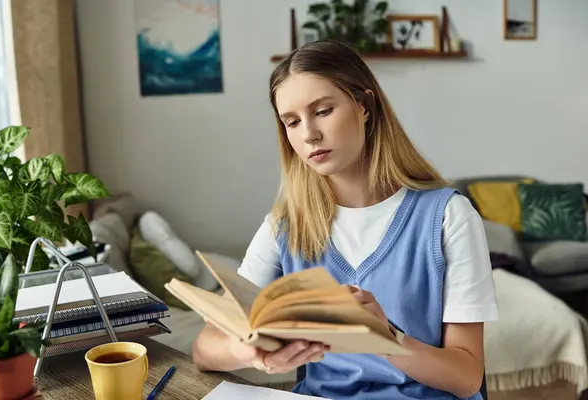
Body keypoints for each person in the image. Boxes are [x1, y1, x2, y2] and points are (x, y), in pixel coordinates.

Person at [192, 40, 499, 400]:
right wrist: (250, 352)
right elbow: (204, 347)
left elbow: (466, 377)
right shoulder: (285, 226)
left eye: (322, 111)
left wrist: (386, 338)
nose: (308, 134)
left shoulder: (448, 216)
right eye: (292, 122)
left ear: (364, 105)